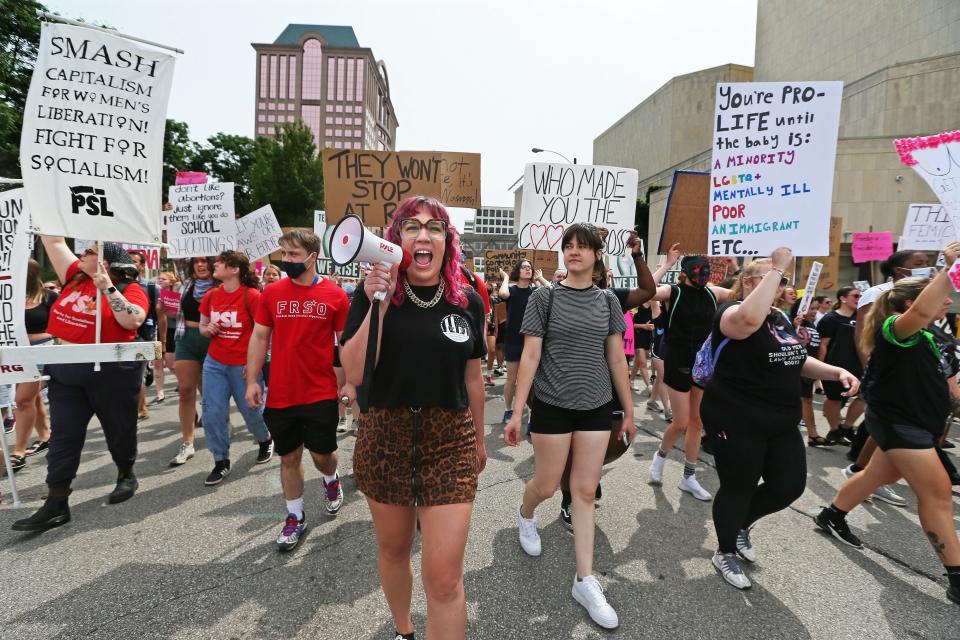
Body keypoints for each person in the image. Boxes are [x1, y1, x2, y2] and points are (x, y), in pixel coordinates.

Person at [341, 196, 486, 640]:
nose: (423, 236)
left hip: (450, 443)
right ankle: (404, 630)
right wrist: (378, 303)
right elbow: (354, 370)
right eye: (411, 227)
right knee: (395, 548)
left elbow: (474, 378)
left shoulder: (467, 300)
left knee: (444, 578)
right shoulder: (368, 296)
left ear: (447, 242)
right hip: (385, 436)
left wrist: (479, 441)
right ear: (396, 240)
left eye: (435, 228)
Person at [701, 250, 859, 589]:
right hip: (735, 416)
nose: (781, 282)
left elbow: (796, 359)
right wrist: (777, 265)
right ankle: (725, 549)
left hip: (780, 418)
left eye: (784, 279)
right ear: (748, 283)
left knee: (789, 485)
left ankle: (739, 525)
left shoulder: (780, 318)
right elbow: (745, 323)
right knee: (739, 486)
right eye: (772, 276)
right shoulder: (730, 313)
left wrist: (836, 372)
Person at [505, 223, 635, 630]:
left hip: (596, 407)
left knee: (583, 490)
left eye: (583, 246)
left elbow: (616, 359)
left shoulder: (609, 301)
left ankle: (585, 579)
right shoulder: (544, 298)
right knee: (546, 485)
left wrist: (628, 410)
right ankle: (526, 513)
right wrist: (516, 410)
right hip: (553, 406)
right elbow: (529, 356)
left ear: (597, 255)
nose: (574, 251)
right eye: (569, 246)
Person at [813, 245, 960, 605]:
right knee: (938, 495)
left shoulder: (928, 334)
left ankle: (831, 515)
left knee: (879, 475)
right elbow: (927, 306)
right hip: (900, 423)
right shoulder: (895, 328)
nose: (947, 302)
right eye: (939, 297)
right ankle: (957, 577)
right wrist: (948, 265)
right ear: (910, 305)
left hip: (917, 422)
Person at [13, 241, 147, 531]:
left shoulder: (129, 289)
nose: (82, 255)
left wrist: (107, 288)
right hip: (66, 369)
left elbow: (132, 320)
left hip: (112, 371)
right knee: (64, 435)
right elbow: (54, 241)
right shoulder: (75, 276)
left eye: (90, 253)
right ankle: (56, 501)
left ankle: (126, 473)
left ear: (106, 264)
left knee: (119, 427)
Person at [245, 230, 349, 551]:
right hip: (281, 393)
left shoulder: (336, 295)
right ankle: (295, 516)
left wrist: (347, 383)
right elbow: (261, 337)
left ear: (312, 257)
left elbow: (344, 344)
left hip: (320, 391)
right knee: (289, 457)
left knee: (322, 455)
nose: (286, 260)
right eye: (284, 254)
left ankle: (331, 480)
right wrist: (252, 380)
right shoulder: (272, 293)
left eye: (293, 254)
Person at [844, 250, 932, 506]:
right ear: (898, 269)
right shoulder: (876, 292)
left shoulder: (921, 292)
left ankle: (864, 476)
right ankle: (862, 475)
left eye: (926, 263)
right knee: (888, 424)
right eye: (919, 263)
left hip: (907, 370)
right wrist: (868, 371)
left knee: (888, 426)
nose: (925, 267)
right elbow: (863, 334)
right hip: (885, 369)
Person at [649, 244, 734, 500]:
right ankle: (660, 456)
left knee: (697, 422)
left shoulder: (712, 293)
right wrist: (667, 264)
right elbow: (647, 291)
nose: (703, 274)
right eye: (698, 270)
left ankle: (688, 477)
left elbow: (743, 295)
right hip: (677, 361)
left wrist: (739, 266)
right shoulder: (672, 292)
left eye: (706, 269)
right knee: (681, 422)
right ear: (685, 272)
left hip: (703, 365)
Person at [198, 251, 274, 486]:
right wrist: (207, 328)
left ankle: (265, 439)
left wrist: (254, 365)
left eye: (220, 263)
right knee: (212, 413)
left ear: (234, 269)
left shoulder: (252, 296)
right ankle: (221, 461)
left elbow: (265, 334)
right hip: (214, 363)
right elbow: (201, 327)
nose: (214, 265)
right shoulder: (211, 296)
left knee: (252, 411)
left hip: (243, 365)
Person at [8, 259, 56, 472]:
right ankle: (45, 435)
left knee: (23, 400)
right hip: (15, 351)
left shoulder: (49, 297)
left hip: (41, 350)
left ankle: (19, 451)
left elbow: (62, 325)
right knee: (32, 398)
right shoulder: (9, 297)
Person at [170, 257, 217, 467]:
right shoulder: (186, 282)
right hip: (186, 339)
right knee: (186, 389)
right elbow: (179, 253)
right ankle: (187, 443)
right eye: (196, 261)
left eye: (205, 261)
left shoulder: (223, 285)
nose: (200, 265)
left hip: (214, 340)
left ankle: (219, 425)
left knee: (211, 391)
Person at [816, 286, 863, 445]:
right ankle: (834, 430)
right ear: (843, 298)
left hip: (859, 365)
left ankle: (847, 427)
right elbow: (824, 345)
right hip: (836, 367)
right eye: (855, 295)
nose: (859, 298)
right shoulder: (830, 319)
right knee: (834, 399)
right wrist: (820, 368)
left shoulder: (862, 317)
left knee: (865, 396)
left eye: (860, 295)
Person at [499, 259, 536, 423]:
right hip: (513, 340)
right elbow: (503, 294)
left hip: (531, 341)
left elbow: (551, 290)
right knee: (511, 380)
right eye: (524, 267)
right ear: (518, 271)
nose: (528, 269)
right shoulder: (511, 290)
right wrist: (506, 277)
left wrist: (540, 278)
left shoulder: (535, 291)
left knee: (530, 380)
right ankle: (508, 410)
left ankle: (531, 414)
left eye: (530, 267)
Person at [789, 298, 829, 446]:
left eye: (816, 308)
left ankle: (812, 435)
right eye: (811, 308)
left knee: (806, 400)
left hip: (807, 369)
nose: (814, 312)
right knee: (804, 400)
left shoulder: (812, 324)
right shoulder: (789, 321)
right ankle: (810, 434)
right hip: (793, 368)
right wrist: (793, 326)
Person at [129, 251, 159, 422]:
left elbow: (159, 316)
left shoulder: (150, 287)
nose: (129, 264)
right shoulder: (114, 285)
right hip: (121, 336)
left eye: (133, 261)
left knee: (137, 374)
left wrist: (159, 346)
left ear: (141, 266)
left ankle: (141, 408)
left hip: (144, 336)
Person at [156, 270, 181, 404]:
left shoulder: (177, 293)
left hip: (171, 332)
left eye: (163, 279)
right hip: (154, 333)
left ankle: (182, 379)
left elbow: (166, 318)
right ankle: (160, 392)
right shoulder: (155, 291)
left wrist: (164, 340)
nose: (160, 281)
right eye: (159, 278)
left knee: (170, 362)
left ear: (171, 281)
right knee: (157, 363)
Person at [630, 300, 654, 391]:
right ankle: (649, 386)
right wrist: (643, 326)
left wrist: (653, 325)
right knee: (643, 363)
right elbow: (630, 324)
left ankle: (631, 381)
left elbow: (658, 321)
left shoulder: (655, 305)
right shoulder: (636, 305)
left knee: (638, 362)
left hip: (648, 338)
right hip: (637, 337)